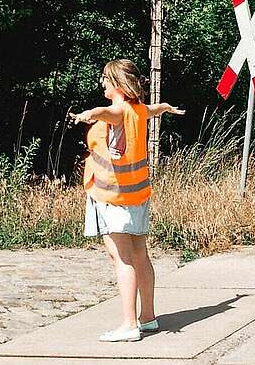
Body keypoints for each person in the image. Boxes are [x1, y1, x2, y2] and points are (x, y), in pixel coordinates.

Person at [70, 59, 184, 342]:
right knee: (140, 255)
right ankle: (148, 318)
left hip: (114, 195)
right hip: (137, 195)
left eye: (106, 79)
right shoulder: (139, 110)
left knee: (122, 259)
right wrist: (166, 107)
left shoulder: (119, 110)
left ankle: (129, 324)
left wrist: (88, 114)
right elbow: (154, 110)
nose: (103, 84)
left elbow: (105, 112)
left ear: (118, 84)